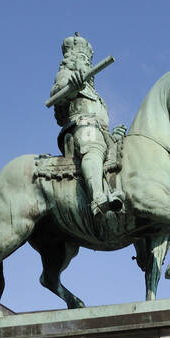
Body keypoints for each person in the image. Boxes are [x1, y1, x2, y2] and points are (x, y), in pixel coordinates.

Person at [48, 33, 123, 218]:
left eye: (88, 60)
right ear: (71, 61)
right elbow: (58, 96)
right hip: (80, 129)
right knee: (94, 148)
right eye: (83, 59)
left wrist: (115, 133)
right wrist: (72, 86)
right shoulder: (65, 77)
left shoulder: (96, 94)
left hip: (100, 131)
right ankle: (97, 198)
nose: (88, 64)